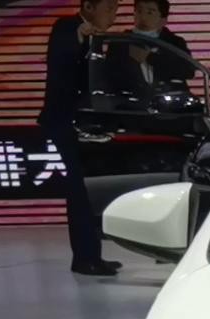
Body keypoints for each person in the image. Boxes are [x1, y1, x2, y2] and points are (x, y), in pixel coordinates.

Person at [40, 0, 122, 277]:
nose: (113, 15)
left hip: (88, 124)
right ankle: (86, 258)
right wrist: (80, 35)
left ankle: (91, 255)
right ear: (88, 6)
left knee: (88, 190)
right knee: (79, 191)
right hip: (65, 122)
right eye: (109, 8)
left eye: (116, 9)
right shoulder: (66, 27)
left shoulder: (99, 39)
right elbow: (61, 58)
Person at [117, 0, 194, 93]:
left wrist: (150, 57)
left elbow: (188, 71)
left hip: (169, 97)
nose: (143, 17)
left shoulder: (174, 42)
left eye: (150, 12)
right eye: (139, 11)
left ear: (163, 20)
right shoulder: (121, 41)